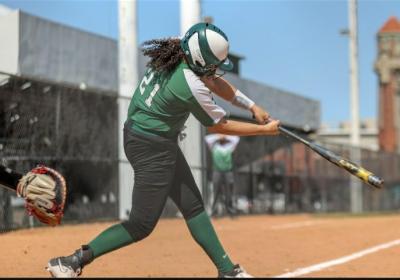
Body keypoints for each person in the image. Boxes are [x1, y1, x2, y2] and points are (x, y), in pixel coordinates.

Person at [46, 22, 280, 278]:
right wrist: (264, 130)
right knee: (141, 224)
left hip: (150, 137)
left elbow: (212, 80)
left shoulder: (181, 47)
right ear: (200, 59)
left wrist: (251, 106)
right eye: (212, 64)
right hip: (151, 146)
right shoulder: (189, 84)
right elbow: (219, 126)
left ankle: (228, 271)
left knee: (193, 206)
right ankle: (71, 262)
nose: (214, 71)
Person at [205, 133, 240, 217]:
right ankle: (214, 212)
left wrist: (226, 136)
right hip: (217, 171)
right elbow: (207, 139)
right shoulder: (214, 147)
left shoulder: (229, 147)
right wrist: (218, 136)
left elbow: (236, 139)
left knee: (229, 193)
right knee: (216, 192)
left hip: (228, 171)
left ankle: (231, 212)